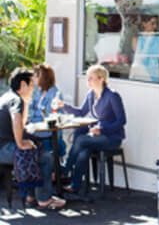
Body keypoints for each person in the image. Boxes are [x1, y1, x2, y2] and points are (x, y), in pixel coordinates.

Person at [0, 68, 65, 209]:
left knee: (35, 149)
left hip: (3, 146)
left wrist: (27, 103)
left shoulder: (7, 97)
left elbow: (20, 124)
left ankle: (31, 196)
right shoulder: (16, 100)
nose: (33, 88)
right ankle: (44, 199)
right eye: (31, 85)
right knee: (46, 157)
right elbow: (16, 119)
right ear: (23, 85)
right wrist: (21, 143)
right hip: (4, 149)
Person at [57, 64, 126, 193]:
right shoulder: (91, 95)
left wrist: (102, 129)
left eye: (91, 78)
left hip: (112, 138)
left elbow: (122, 121)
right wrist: (63, 106)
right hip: (97, 136)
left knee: (82, 140)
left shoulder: (112, 96)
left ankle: (65, 170)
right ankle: (75, 186)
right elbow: (81, 112)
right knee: (83, 148)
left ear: (101, 79)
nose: (88, 80)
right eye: (87, 77)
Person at [28, 64, 66, 156]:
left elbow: (48, 116)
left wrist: (34, 114)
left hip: (48, 131)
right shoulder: (37, 91)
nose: (32, 78)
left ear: (42, 77)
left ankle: (52, 166)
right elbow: (30, 109)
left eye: (35, 76)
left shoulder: (55, 94)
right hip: (36, 127)